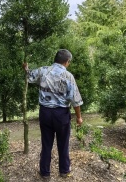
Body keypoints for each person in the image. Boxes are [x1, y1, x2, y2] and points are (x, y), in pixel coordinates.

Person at [23, 49, 83, 179]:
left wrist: (26, 68)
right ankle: (64, 171)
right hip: (61, 115)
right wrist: (79, 117)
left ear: (55, 59)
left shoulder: (43, 70)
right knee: (63, 143)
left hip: (44, 112)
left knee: (46, 143)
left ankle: (45, 173)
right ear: (67, 62)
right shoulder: (68, 76)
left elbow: (30, 76)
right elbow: (75, 100)